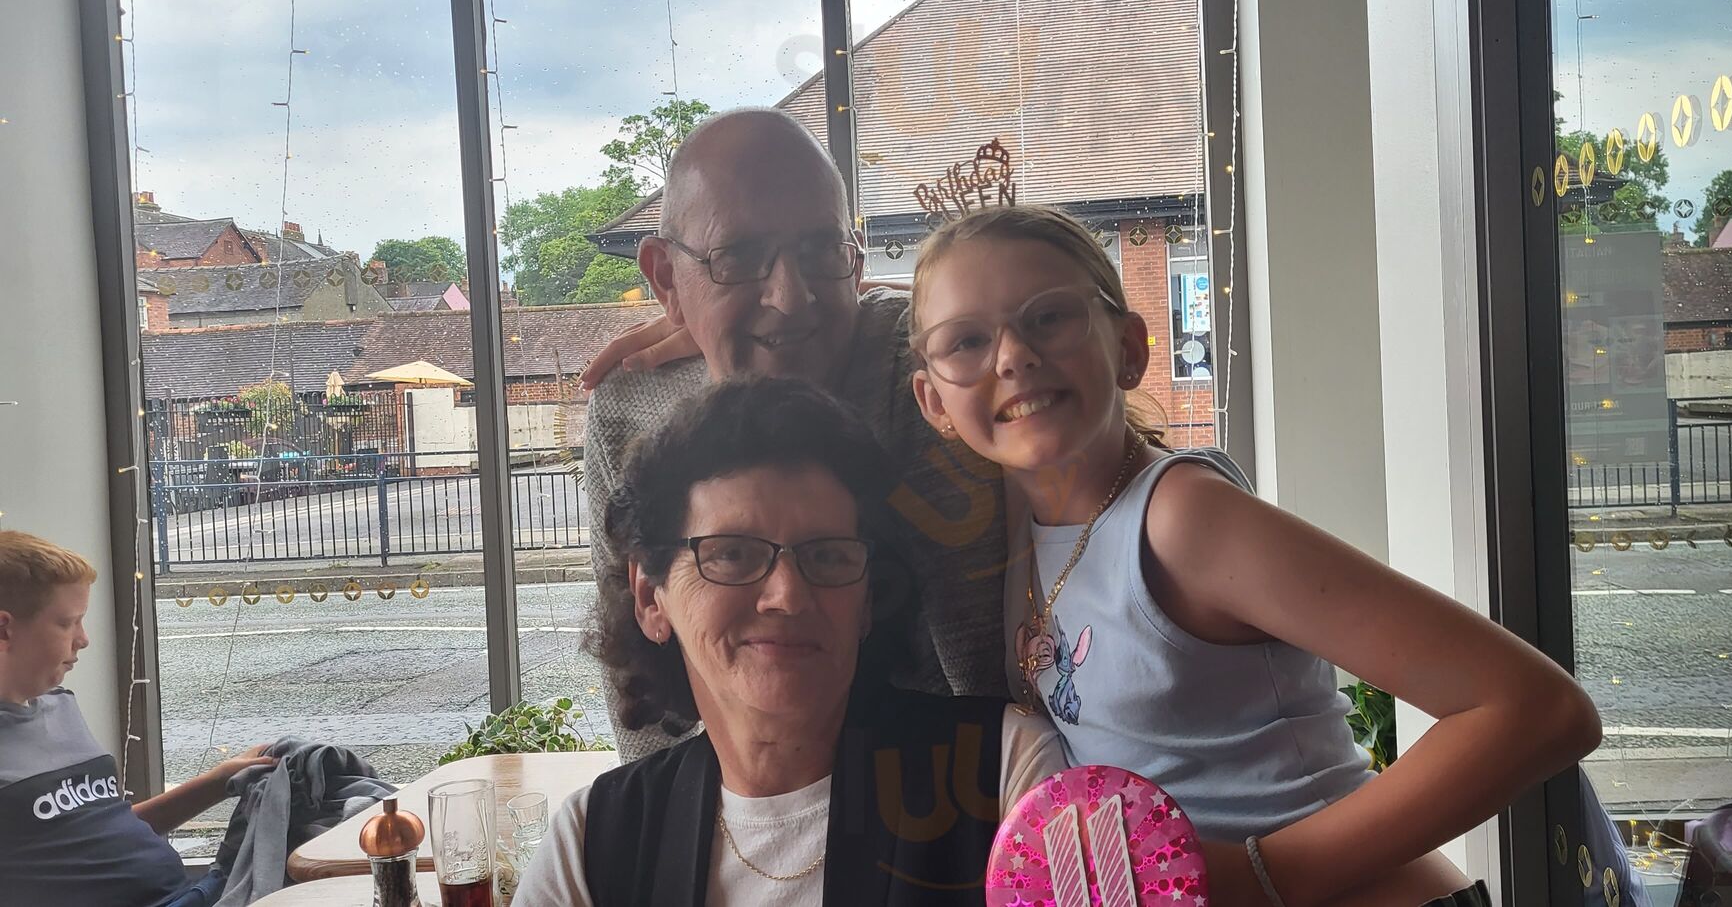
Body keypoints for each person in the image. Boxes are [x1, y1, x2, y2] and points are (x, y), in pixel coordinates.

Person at [904, 205, 1604, 907]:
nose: (1012, 356)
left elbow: (1537, 709)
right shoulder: (1014, 535)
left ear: (1129, 348)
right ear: (933, 402)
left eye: (1050, 317)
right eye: (966, 341)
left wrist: (1258, 874)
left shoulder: (1183, 520)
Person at [515, 378, 1067, 906]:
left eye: (827, 555)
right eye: (732, 553)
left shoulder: (1004, 775)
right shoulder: (592, 844)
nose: (787, 596)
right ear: (649, 598)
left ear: (867, 601)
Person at [578, 108, 1011, 760]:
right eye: (739, 258)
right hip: (747, 799)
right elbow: (642, 683)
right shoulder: (632, 407)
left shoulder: (931, 360)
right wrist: (664, 817)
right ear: (666, 276)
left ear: (854, 260)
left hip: (1000, 789)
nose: (789, 297)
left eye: (820, 251)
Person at [0, 530, 275, 907]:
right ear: (4, 629)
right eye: (68, 622)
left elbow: (107, 829)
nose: (83, 639)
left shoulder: (61, 706)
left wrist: (219, 781)